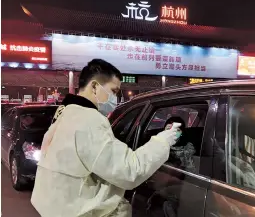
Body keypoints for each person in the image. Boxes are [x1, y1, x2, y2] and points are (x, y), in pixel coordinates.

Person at [31, 59, 181, 217]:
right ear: (95, 86)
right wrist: (163, 140)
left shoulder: (65, 114)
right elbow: (130, 171)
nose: (115, 98)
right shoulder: (88, 120)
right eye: (114, 91)